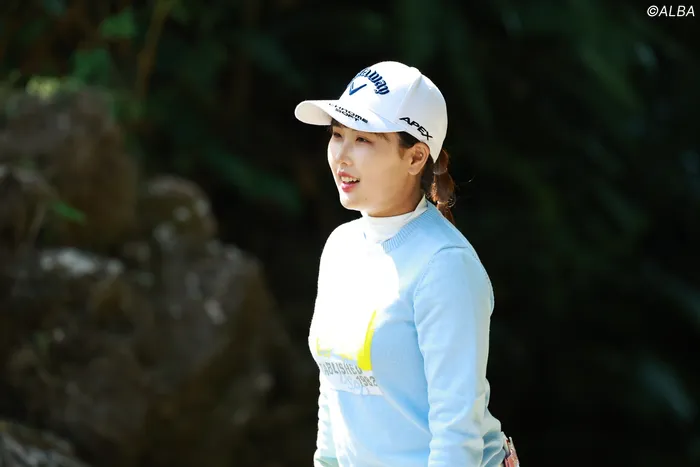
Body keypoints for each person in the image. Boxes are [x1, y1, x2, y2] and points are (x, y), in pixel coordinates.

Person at [295, 61, 516, 467]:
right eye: (337, 134)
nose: (341, 156)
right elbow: (335, 392)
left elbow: (457, 436)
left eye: (363, 139)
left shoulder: (445, 266)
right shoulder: (341, 246)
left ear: (415, 157)